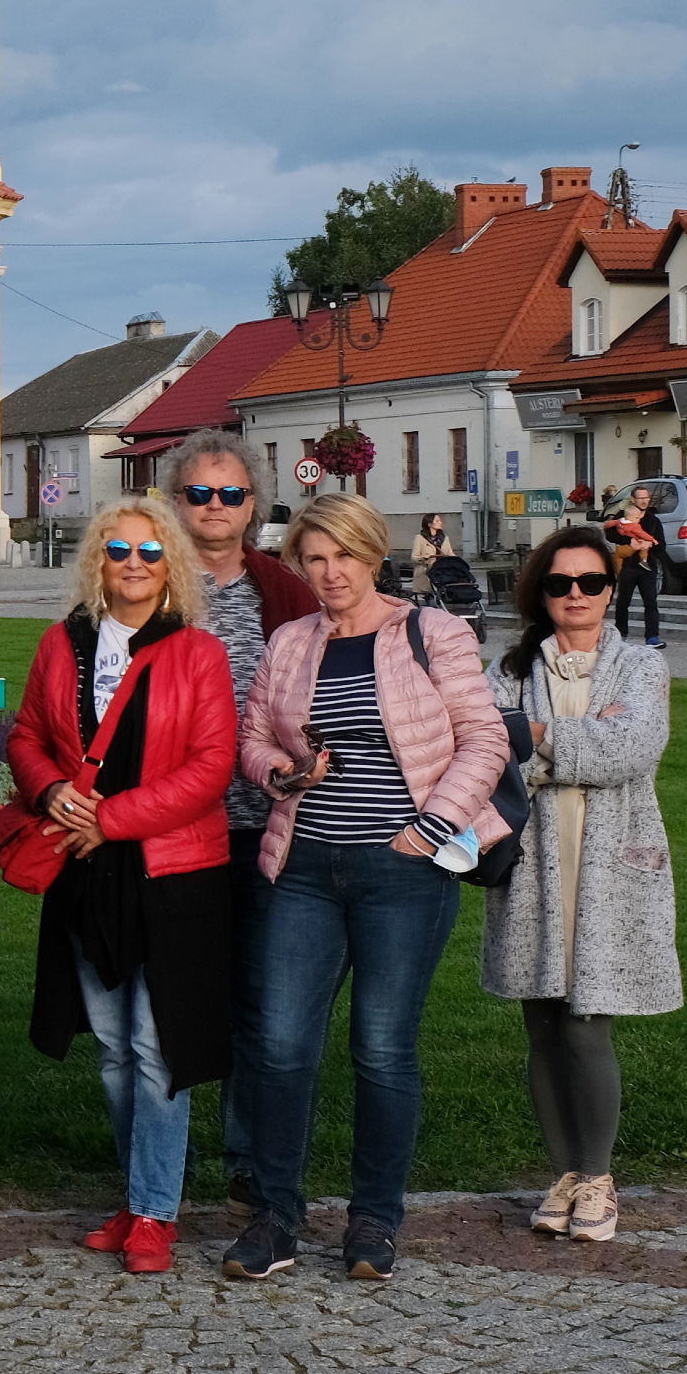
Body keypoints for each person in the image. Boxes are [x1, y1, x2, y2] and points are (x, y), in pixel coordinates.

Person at [229, 493, 513, 1282]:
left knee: (382, 1048)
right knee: (281, 1046)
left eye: (345, 556)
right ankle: (274, 1216)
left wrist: (431, 828)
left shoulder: (431, 632)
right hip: (304, 868)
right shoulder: (289, 640)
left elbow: (484, 736)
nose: (330, 573)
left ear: (372, 553)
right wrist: (281, 773)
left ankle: (373, 1219)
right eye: (314, 558)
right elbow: (251, 736)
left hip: (403, 871)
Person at [3, 498, 236, 1275]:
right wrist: (47, 791)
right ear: (96, 561)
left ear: (170, 564)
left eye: (148, 550)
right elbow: (27, 735)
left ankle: (155, 1211)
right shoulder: (61, 643)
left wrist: (111, 819)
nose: (132, 563)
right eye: (117, 549)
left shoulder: (197, 652)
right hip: (85, 872)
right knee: (110, 1047)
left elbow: (210, 766)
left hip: (169, 871)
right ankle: (138, 1196)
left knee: (153, 1045)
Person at [483, 527, 679, 1246]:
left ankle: (596, 1175)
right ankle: (563, 1173)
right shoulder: (510, 667)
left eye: (590, 582)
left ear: (610, 590)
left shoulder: (640, 666)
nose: (575, 595)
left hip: (609, 867)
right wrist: (569, 742)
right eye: (559, 583)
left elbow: (631, 750)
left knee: (585, 1021)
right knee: (541, 1022)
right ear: (540, 592)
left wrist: (533, 737)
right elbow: (483, 749)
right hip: (532, 864)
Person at [163, 428, 318, 1223]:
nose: (215, 506)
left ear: (252, 504)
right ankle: (154, 1175)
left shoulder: (281, 589)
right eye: (199, 492)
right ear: (175, 501)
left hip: (264, 824)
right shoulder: (147, 580)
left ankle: (249, 1162)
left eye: (230, 493)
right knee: (176, 997)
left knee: (263, 999)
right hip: (170, 827)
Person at [608, 485, 666, 648]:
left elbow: (661, 545)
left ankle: (652, 637)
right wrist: (629, 541)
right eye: (640, 498)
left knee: (651, 602)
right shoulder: (622, 516)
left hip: (648, 567)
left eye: (646, 498)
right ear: (633, 499)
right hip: (627, 566)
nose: (644, 501)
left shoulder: (653, 520)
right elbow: (609, 534)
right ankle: (621, 635)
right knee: (623, 602)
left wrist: (649, 545)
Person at [410, 514, 456, 601]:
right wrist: (422, 558)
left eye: (440, 521)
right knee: (429, 595)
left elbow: (450, 553)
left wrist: (454, 559)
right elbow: (414, 556)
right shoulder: (420, 538)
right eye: (437, 521)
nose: (441, 523)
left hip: (442, 571)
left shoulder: (445, 538)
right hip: (426, 572)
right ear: (429, 524)